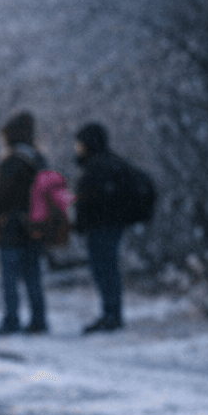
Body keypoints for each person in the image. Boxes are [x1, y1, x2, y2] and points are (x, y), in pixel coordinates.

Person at [0, 111, 49, 335]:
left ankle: (11, 319)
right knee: (33, 276)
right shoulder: (39, 159)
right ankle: (38, 319)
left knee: (9, 279)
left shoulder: (11, 161)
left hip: (11, 227)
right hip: (35, 227)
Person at [73, 122, 130, 333]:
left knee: (104, 271)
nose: (76, 147)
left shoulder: (95, 166)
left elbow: (88, 200)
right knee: (109, 270)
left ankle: (111, 315)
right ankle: (112, 314)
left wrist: (80, 223)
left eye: (79, 143)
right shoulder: (114, 163)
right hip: (113, 225)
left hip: (100, 227)